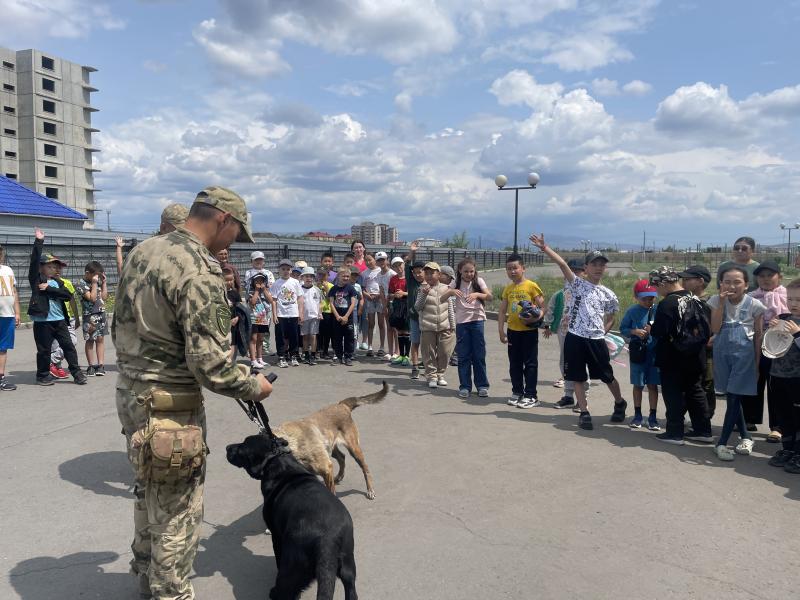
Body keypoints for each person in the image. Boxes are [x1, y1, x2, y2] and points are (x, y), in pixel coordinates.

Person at [112, 186, 272, 600]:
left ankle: (146, 574)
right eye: (237, 231)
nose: (235, 241)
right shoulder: (199, 269)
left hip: (132, 391)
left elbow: (123, 324)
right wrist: (255, 386)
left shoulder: (144, 251)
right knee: (178, 507)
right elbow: (211, 367)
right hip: (171, 403)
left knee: (149, 487)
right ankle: (171, 592)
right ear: (223, 218)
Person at [530, 235, 627, 430]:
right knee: (577, 376)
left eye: (602, 264)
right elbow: (563, 264)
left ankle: (619, 402)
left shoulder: (608, 294)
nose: (598, 267)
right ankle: (584, 412)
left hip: (596, 339)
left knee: (607, 375)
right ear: (586, 267)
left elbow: (611, 318)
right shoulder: (577, 284)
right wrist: (545, 248)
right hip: (575, 337)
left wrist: (602, 333)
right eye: (594, 264)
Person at [709, 266, 766, 460]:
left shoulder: (754, 304)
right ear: (721, 283)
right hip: (722, 354)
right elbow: (715, 328)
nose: (731, 285)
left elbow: (758, 337)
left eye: (737, 282)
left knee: (734, 397)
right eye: (726, 281)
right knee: (733, 395)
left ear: (747, 285)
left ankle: (722, 443)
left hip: (744, 355)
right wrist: (722, 303)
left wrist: (757, 364)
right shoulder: (716, 301)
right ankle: (746, 436)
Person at [28, 229, 87, 386]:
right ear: (42, 267)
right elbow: (33, 261)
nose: (55, 269)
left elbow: (67, 295)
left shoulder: (57, 282)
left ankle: (77, 373)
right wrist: (39, 242)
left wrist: (49, 289)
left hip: (60, 320)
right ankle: (42, 375)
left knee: (69, 347)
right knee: (44, 350)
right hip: (43, 321)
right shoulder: (36, 279)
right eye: (51, 266)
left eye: (56, 266)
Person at [748, 259, 788, 441]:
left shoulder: (789, 296)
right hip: (756, 345)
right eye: (761, 276)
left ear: (779, 276)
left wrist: (780, 323)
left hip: (780, 348)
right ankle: (750, 419)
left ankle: (777, 426)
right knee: (755, 381)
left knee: (775, 386)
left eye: (769, 275)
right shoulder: (751, 297)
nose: (765, 279)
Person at [497, 254, 544, 408]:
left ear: (523, 269)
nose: (512, 271)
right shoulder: (508, 289)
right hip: (513, 332)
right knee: (514, 364)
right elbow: (502, 311)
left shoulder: (531, 285)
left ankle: (531, 395)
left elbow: (543, 307)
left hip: (528, 332)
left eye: (515, 268)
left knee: (530, 364)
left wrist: (535, 319)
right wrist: (501, 331)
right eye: (509, 269)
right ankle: (517, 392)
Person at [543, 258, 589, 411]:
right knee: (566, 363)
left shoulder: (587, 291)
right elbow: (551, 309)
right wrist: (548, 324)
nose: (573, 274)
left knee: (582, 364)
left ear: (585, 273)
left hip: (583, 333)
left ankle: (583, 398)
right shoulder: (560, 294)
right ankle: (568, 395)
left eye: (578, 271)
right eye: (570, 271)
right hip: (564, 332)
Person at [443, 257, 491, 398]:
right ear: (460, 271)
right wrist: (451, 292)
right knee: (463, 355)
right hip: (462, 323)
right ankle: (465, 386)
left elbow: (489, 296)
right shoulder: (455, 282)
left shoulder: (479, 281)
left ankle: (482, 385)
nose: (469, 274)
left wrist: (477, 294)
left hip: (477, 321)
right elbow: (441, 298)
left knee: (479, 354)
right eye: (466, 272)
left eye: (471, 271)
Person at [766, 278, 800, 473]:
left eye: (799, 300)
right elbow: (770, 346)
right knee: (784, 414)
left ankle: (798, 452)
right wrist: (772, 330)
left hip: (797, 378)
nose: (794, 304)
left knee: (798, 417)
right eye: (791, 299)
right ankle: (787, 449)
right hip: (778, 375)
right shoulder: (784, 318)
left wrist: (797, 334)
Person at [619, 280, 661, 430]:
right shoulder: (632, 311)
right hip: (638, 353)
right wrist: (635, 331)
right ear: (636, 296)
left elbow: (664, 330)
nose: (649, 301)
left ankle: (653, 416)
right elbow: (623, 328)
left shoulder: (658, 309)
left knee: (652, 385)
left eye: (651, 298)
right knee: (638, 384)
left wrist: (653, 331)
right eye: (645, 298)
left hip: (654, 353)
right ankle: (637, 415)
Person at [678, 265, 716, 419]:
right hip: (690, 351)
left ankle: (703, 420)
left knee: (705, 386)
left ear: (700, 281)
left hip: (706, 353)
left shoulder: (709, 302)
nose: (683, 282)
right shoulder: (687, 300)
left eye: (687, 279)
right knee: (690, 386)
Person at [415, 261, 456, 388]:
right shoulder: (422, 289)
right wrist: (424, 294)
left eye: (432, 273)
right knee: (428, 353)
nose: (428, 276)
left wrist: (453, 326)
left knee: (445, 352)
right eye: (426, 273)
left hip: (445, 326)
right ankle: (431, 376)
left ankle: (440, 374)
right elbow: (417, 307)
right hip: (428, 327)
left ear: (439, 274)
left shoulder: (446, 289)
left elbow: (450, 308)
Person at [75, 260, 109, 376]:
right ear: (87, 273)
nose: (97, 277)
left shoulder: (98, 282)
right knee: (90, 340)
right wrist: (94, 284)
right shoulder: (80, 283)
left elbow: (104, 298)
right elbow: (92, 298)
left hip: (101, 315)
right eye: (95, 274)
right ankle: (91, 365)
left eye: (99, 275)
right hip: (89, 317)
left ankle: (100, 365)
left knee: (100, 339)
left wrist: (103, 284)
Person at [270, 259, 305, 367]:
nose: (286, 271)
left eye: (288, 269)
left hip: (293, 314)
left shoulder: (295, 282)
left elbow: (300, 298)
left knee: (294, 336)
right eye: (283, 269)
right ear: (279, 270)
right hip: (281, 315)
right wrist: (274, 315)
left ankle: (293, 355)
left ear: (291, 270)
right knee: (280, 336)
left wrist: (300, 313)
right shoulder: (276, 284)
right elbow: (274, 300)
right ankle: (281, 356)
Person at [49, 260, 80, 379]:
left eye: (59, 268)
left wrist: (77, 317)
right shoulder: (47, 282)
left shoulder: (66, 283)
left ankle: (49, 360)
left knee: (72, 341)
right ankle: (57, 367)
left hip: (67, 319)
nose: (57, 270)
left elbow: (72, 301)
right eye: (54, 268)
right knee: (55, 345)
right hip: (53, 319)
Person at [328, 266, 358, 366]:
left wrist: (346, 316)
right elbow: (331, 303)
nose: (345, 278)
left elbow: (353, 303)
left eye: (347, 276)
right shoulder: (333, 289)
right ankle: (338, 356)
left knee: (349, 338)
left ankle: (348, 356)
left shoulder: (351, 288)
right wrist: (337, 316)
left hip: (348, 318)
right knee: (337, 338)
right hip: (337, 318)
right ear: (338, 276)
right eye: (343, 276)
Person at [0, 244, 20, 391]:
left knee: (3, 348)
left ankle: (1, 377)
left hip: (7, 315)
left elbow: (14, 292)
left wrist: (17, 312)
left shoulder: (8, 270)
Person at [405, 242, 425, 379]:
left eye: (420, 272)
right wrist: (412, 251)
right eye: (415, 272)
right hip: (414, 317)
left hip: (428, 317)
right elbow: (407, 264)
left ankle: (429, 365)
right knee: (415, 341)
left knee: (428, 343)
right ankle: (415, 366)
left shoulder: (430, 283)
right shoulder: (411, 282)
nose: (418, 275)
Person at [248, 272, 276, 369]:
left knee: (260, 339)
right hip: (253, 319)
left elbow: (271, 300)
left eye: (261, 280)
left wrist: (264, 290)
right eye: (257, 280)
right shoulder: (250, 292)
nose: (259, 282)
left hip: (263, 319)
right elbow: (253, 302)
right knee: (253, 339)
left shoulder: (265, 291)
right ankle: (253, 360)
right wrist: (256, 290)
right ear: (253, 282)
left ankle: (260, 358)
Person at [360, 253, 385, 356]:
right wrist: (366, 295)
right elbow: (363, 288)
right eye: (366, 260)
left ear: (375, 260)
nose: (368, 262)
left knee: (381, 323)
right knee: (370, 324)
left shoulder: (380, 271)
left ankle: (382, 347)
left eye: (370, 260)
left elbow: (383, 285)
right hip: (369, 299)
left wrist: (380, 294)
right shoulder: (364, 273)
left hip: (380, 298)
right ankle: (370, 347)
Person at [388, 257, 411, 366]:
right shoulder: (393, 279)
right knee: (400, 332)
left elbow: (415, 293)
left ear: (404, 265)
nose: (399, 267)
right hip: (397, 306)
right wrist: (394, 295)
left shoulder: (410, 278)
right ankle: (401, 355)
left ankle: (407, 356)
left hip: (407, 306)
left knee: (407, 332)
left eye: (400, 264)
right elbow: (389, 294)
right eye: (396, 266)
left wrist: (404, 293)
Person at [376, 251, 397, 359]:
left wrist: (390, 302)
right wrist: (384, 306)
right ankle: (390, 351)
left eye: (383, 259)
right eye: (379, 260)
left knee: (395, 328)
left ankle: (397, 351)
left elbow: (395, 289)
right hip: (385, 303)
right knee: (388, 326)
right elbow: (381, 291)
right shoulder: (378, 275)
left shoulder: (392, 273)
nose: (381, 262)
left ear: (387, 260)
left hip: (395, 302)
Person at [300, 266, 323, 364]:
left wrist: (320, 312)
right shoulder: (299, 289)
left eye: (310, 276)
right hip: (303, 317)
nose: (308, 278)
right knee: (305, 336)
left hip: (314, 316)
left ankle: (313, 355)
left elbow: (321, 302)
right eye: (306, 276)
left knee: (313, 336)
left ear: (313, 278)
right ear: (302, 278)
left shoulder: (317, 290)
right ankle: (306, 355)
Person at [439, 265, 459, 367]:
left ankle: (454, 356)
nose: (451, 280)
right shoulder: (435, 286)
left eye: (451, 278)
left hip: (452, 317)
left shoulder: (453, 286)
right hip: (439, 317)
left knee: (457, 335)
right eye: (449, 277)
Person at [316, 267, 334, 359]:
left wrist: (327, 289)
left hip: (327, 311)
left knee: (327, 333)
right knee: (318, 332)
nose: (321, 276)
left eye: (324, 275)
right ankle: (318, 350)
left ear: (328, 275)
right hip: (317, 311)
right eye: (320, 274)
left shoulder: (331, 286)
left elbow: (331, 299)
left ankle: (325, 351)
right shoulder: (314, 286)